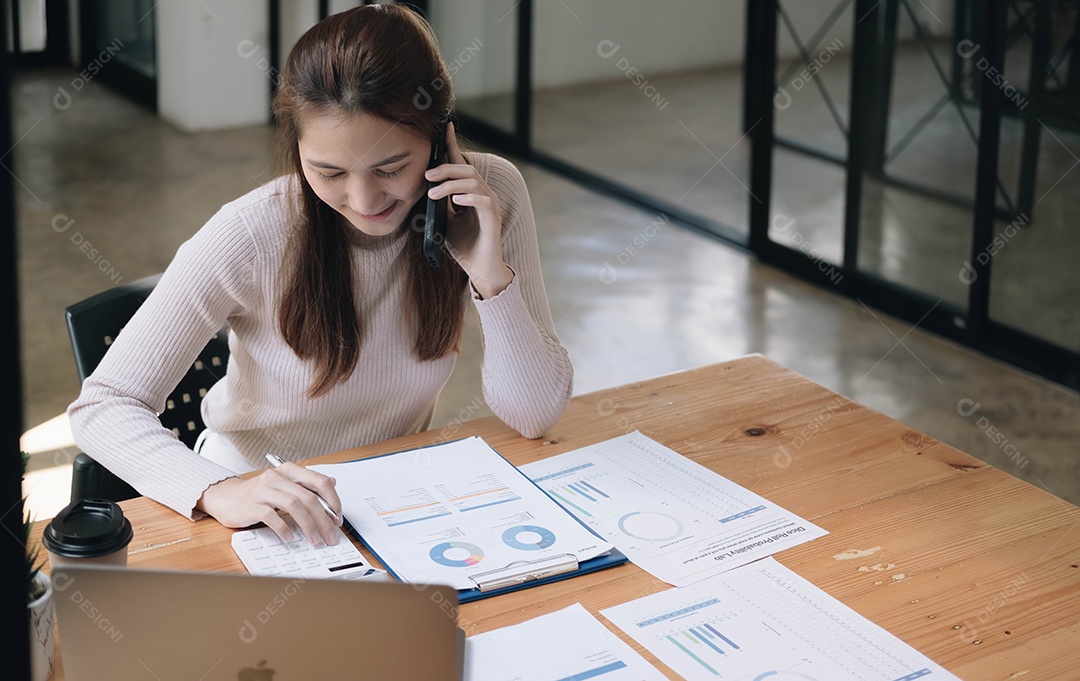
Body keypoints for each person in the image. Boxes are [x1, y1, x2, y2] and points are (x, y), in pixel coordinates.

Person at [67, 5, 572, 549]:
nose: (364, 200)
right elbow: (104, 405)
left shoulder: (487, 196)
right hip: (258, 503)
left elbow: (534, 415)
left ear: (439, 138)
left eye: (391, 168)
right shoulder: (251, 232)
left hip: (392, 496)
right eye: (329, 172)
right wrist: (220, 489)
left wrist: (488, 274)